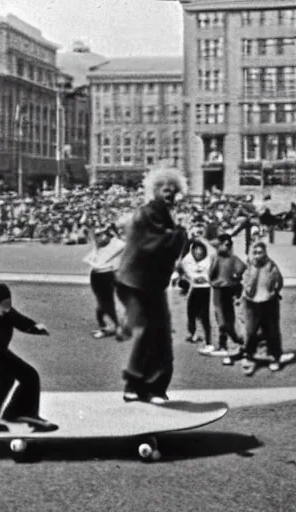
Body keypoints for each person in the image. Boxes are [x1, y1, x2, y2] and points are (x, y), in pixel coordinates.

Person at [115, 167, 188, 404]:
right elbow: (154, 244)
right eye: (163, 186)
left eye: (173, 188)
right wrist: (180, 233)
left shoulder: (165, 215)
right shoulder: (145, 214)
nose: (169, 190)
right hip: (135, 282)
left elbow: (172, 248)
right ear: (154, 190)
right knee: (148, 331)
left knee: (162, 334)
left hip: (151, 283)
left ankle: (154, 388)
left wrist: (178, 234)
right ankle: (135, 385)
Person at [0, 283, 58, 432]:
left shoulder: (5, 312)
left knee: (30, 375)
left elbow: (18, 319)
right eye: (3, 304)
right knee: (5, 380)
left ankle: (21, 412)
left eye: (8, 303)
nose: (7, 308)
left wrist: (34, 327)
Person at [240, 242, 288, 375]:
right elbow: (243, 281)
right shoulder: (248, 266)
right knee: (250, 331)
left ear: (265, 253)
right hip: (251, 302)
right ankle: (249, 356)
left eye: (260, 252)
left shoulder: (271, 266)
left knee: (272, 331)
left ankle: (274, 357)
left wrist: (274, 292)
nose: (257, 255)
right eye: (255, 252)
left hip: (269, 302)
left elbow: (280, 281)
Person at [201, 234, 246, 356]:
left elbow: (242, 269)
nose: (225, 247)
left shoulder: (233, 259)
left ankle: (234, 340)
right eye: (223, 245)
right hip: (218, 290)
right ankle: (224, 343)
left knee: (229, 317)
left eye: (228, 245)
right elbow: (210, 274)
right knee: (220, 317)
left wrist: (236, 280)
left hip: (228, 289)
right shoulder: (215, 257)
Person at [85, 228, 124, 339]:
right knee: (101, 301)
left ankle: (115, 326)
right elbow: (92, 234)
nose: (99, 238)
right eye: (98, 236)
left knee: (106, 303)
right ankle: (105, 326)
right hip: (95, 275)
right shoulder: (99, 246)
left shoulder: (117, 246)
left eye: (102, 235)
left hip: (106, 275)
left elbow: (121, 243)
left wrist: (112, 232)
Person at [177, 239, 212, 346]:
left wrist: (205, 278)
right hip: (195, 288)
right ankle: (193, 333)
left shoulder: (209, 259)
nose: (198, 253)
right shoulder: (187, 259)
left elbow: (213, 271)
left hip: (206, 288)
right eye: (196, 250)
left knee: (204, 314)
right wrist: (192, 278)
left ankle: (208, 338)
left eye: (200, 250)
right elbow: (184, 269)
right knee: (191, 312)